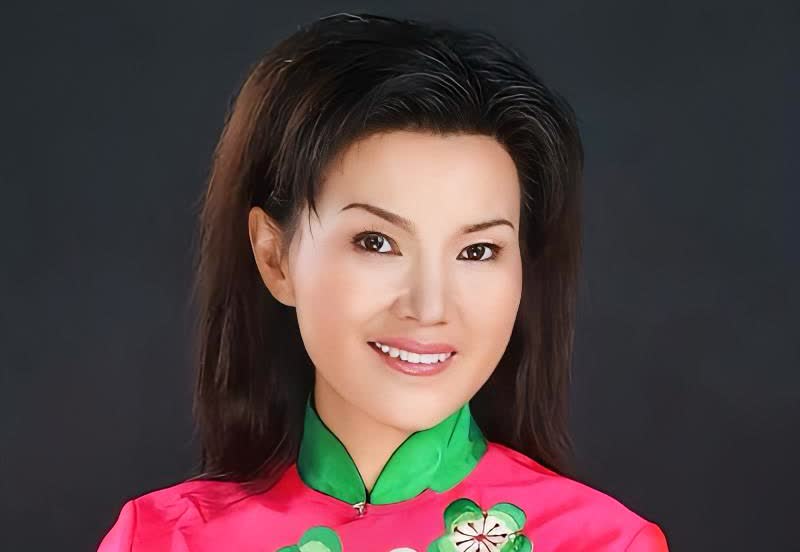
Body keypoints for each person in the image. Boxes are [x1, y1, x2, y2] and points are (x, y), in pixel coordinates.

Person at [98, 12, 668, 551]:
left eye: (477, 251)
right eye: (376, 242)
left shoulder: (603, 543)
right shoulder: (164, 538)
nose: (430, 305)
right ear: (275, 258)